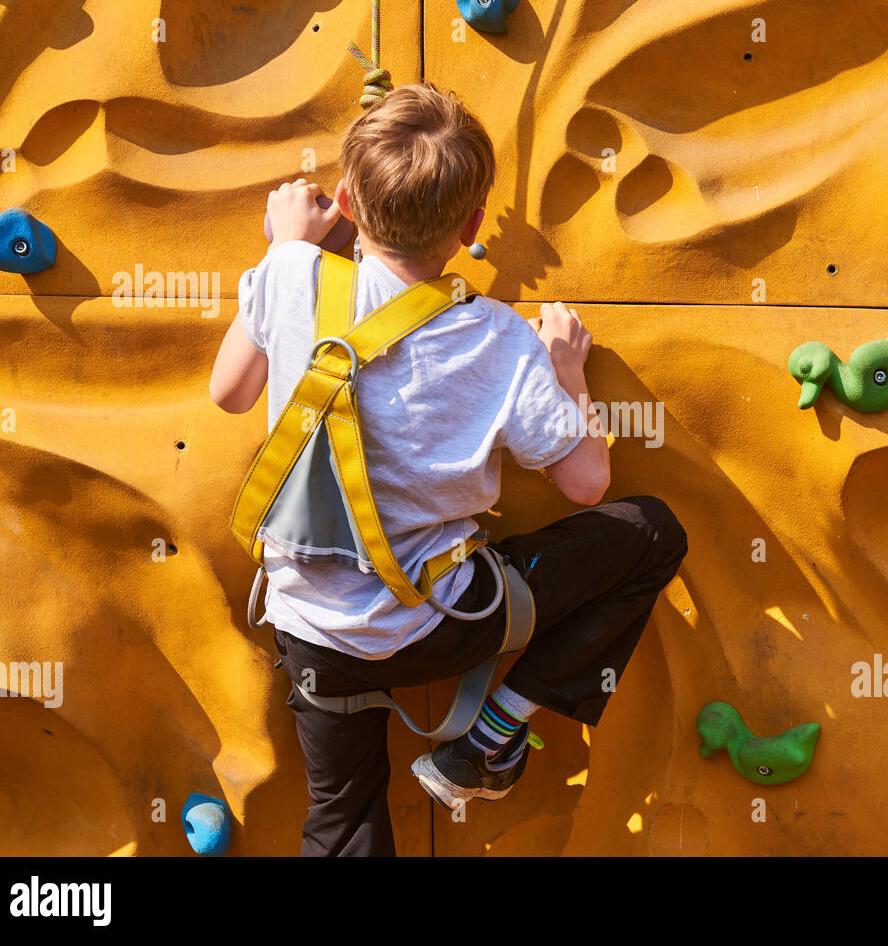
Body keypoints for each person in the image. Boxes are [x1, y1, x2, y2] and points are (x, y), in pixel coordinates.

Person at [208, 81, 687, 856]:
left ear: (343, 201)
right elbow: (587, 484)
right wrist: (569, 377)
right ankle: (489, 736)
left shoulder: (291, 274)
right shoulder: (498, 339)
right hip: (440, 622)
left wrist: (283, 246)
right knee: (652, 534)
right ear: (470, 228)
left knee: (342, 823)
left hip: (312, 630)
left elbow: (229, 392)